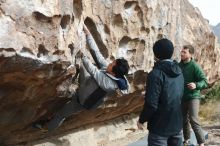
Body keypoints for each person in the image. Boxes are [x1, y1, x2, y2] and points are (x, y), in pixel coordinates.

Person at [33, 25, 130, 131]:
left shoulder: (109, 84)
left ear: (114, 74)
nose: (109, 64)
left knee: (62, 114)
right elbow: (97, 55)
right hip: (86, 89)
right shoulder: (112, 72)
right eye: (112, 62)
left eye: (112, 65)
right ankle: (55, 116)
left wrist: (82, 56)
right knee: (85, 65)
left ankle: (47, 128)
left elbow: (93, 70)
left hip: (83, 101)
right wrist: (88, 34)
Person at [137, 38, 184, 146]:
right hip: (177, 124)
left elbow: (151, 105)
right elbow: (176, 95)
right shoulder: (179, 72)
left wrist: (141, 120)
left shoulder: (155, 74)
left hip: (160, 127)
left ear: (155, 54)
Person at [179, 45, 208, 146]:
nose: (181, 54)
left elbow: (205, 81)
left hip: (193, 96)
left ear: (190, 54)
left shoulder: (195, 66)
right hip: (182, 97)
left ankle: (201, 143)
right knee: (183, 120)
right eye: (181, 52)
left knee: (193, 119)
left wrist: (196, 85)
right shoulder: (179, 66)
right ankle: (186, 140)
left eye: (184, 52)